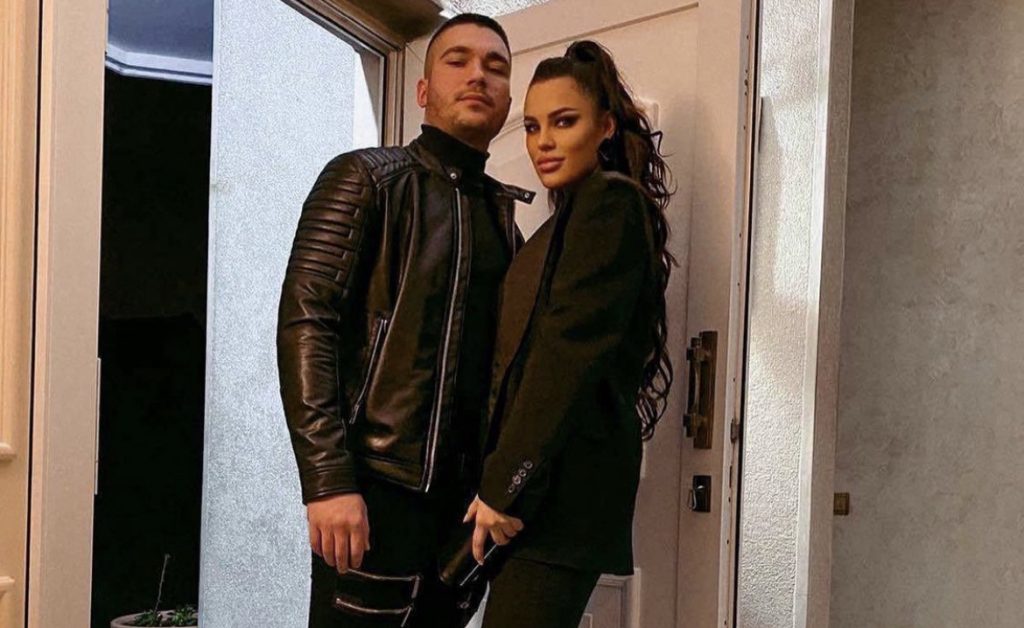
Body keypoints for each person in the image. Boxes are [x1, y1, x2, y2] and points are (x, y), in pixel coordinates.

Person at [275, 13, 534, 628]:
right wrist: (327, 479)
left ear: (507, 102)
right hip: (374, 495)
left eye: (495, 67)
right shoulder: (367, 177)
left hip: (465, 513)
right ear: (423, 90)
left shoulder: (505, 222)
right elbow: (307, 322)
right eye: (457, 60)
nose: (478, 75)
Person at [462, 40, 675, 628]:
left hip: (557, 502)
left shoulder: (608, 204)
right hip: (543, 498)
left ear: (604, 126)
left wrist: (503, 485)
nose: (543, 142)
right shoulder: (571, 217)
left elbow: (564, 359)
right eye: (533, 127)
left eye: (564, 122)